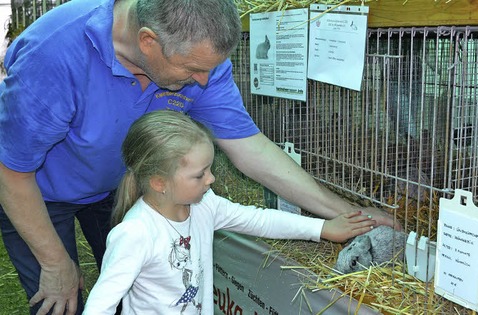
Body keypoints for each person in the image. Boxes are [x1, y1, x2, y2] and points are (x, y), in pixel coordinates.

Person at [0, 0, 397, 314]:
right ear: (148, 41)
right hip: (37, 192)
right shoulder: (53, 56)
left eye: (210, 69)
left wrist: (345, 213)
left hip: (123, 182)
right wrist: (55, 264)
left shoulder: (199, 60)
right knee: (59, 295)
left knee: (140, 282)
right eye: (193, 70)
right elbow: (11, 172)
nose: (204, 82)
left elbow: (250, 148)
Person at [83, 110, 376, 314]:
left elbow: (259, 220)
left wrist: (322, 228)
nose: (211, 179)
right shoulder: (135, 234)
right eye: (200, 175)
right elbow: (101, 305)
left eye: (210, 168)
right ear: (159, 182)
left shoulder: (204, 204)